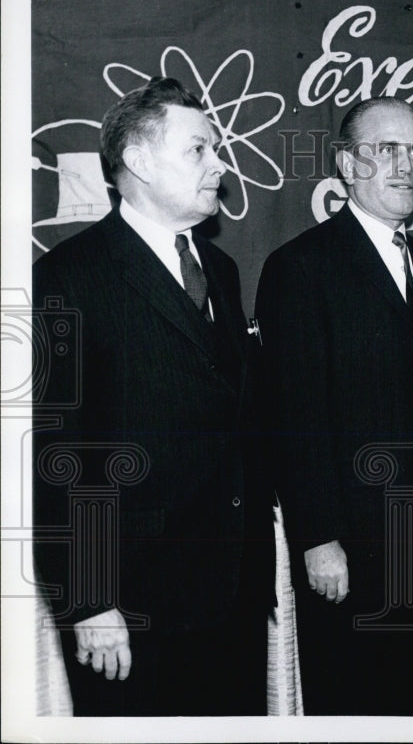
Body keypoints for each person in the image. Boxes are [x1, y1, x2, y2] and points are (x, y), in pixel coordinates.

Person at [32, 77, 275, 716]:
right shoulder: (67, 277)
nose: (219, 163)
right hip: (131, 610)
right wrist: (88, 599)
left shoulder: (219, 271)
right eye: (198, 150)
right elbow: (58, 454)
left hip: (231, 596)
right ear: (138, 163)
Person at [254, 97, 413, 716]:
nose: (406, 166)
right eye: (387, 150)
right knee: (354, 713)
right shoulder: (299, 267)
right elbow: (294, 418)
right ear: (348, 166)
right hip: (353, 549)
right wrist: (318, 538)